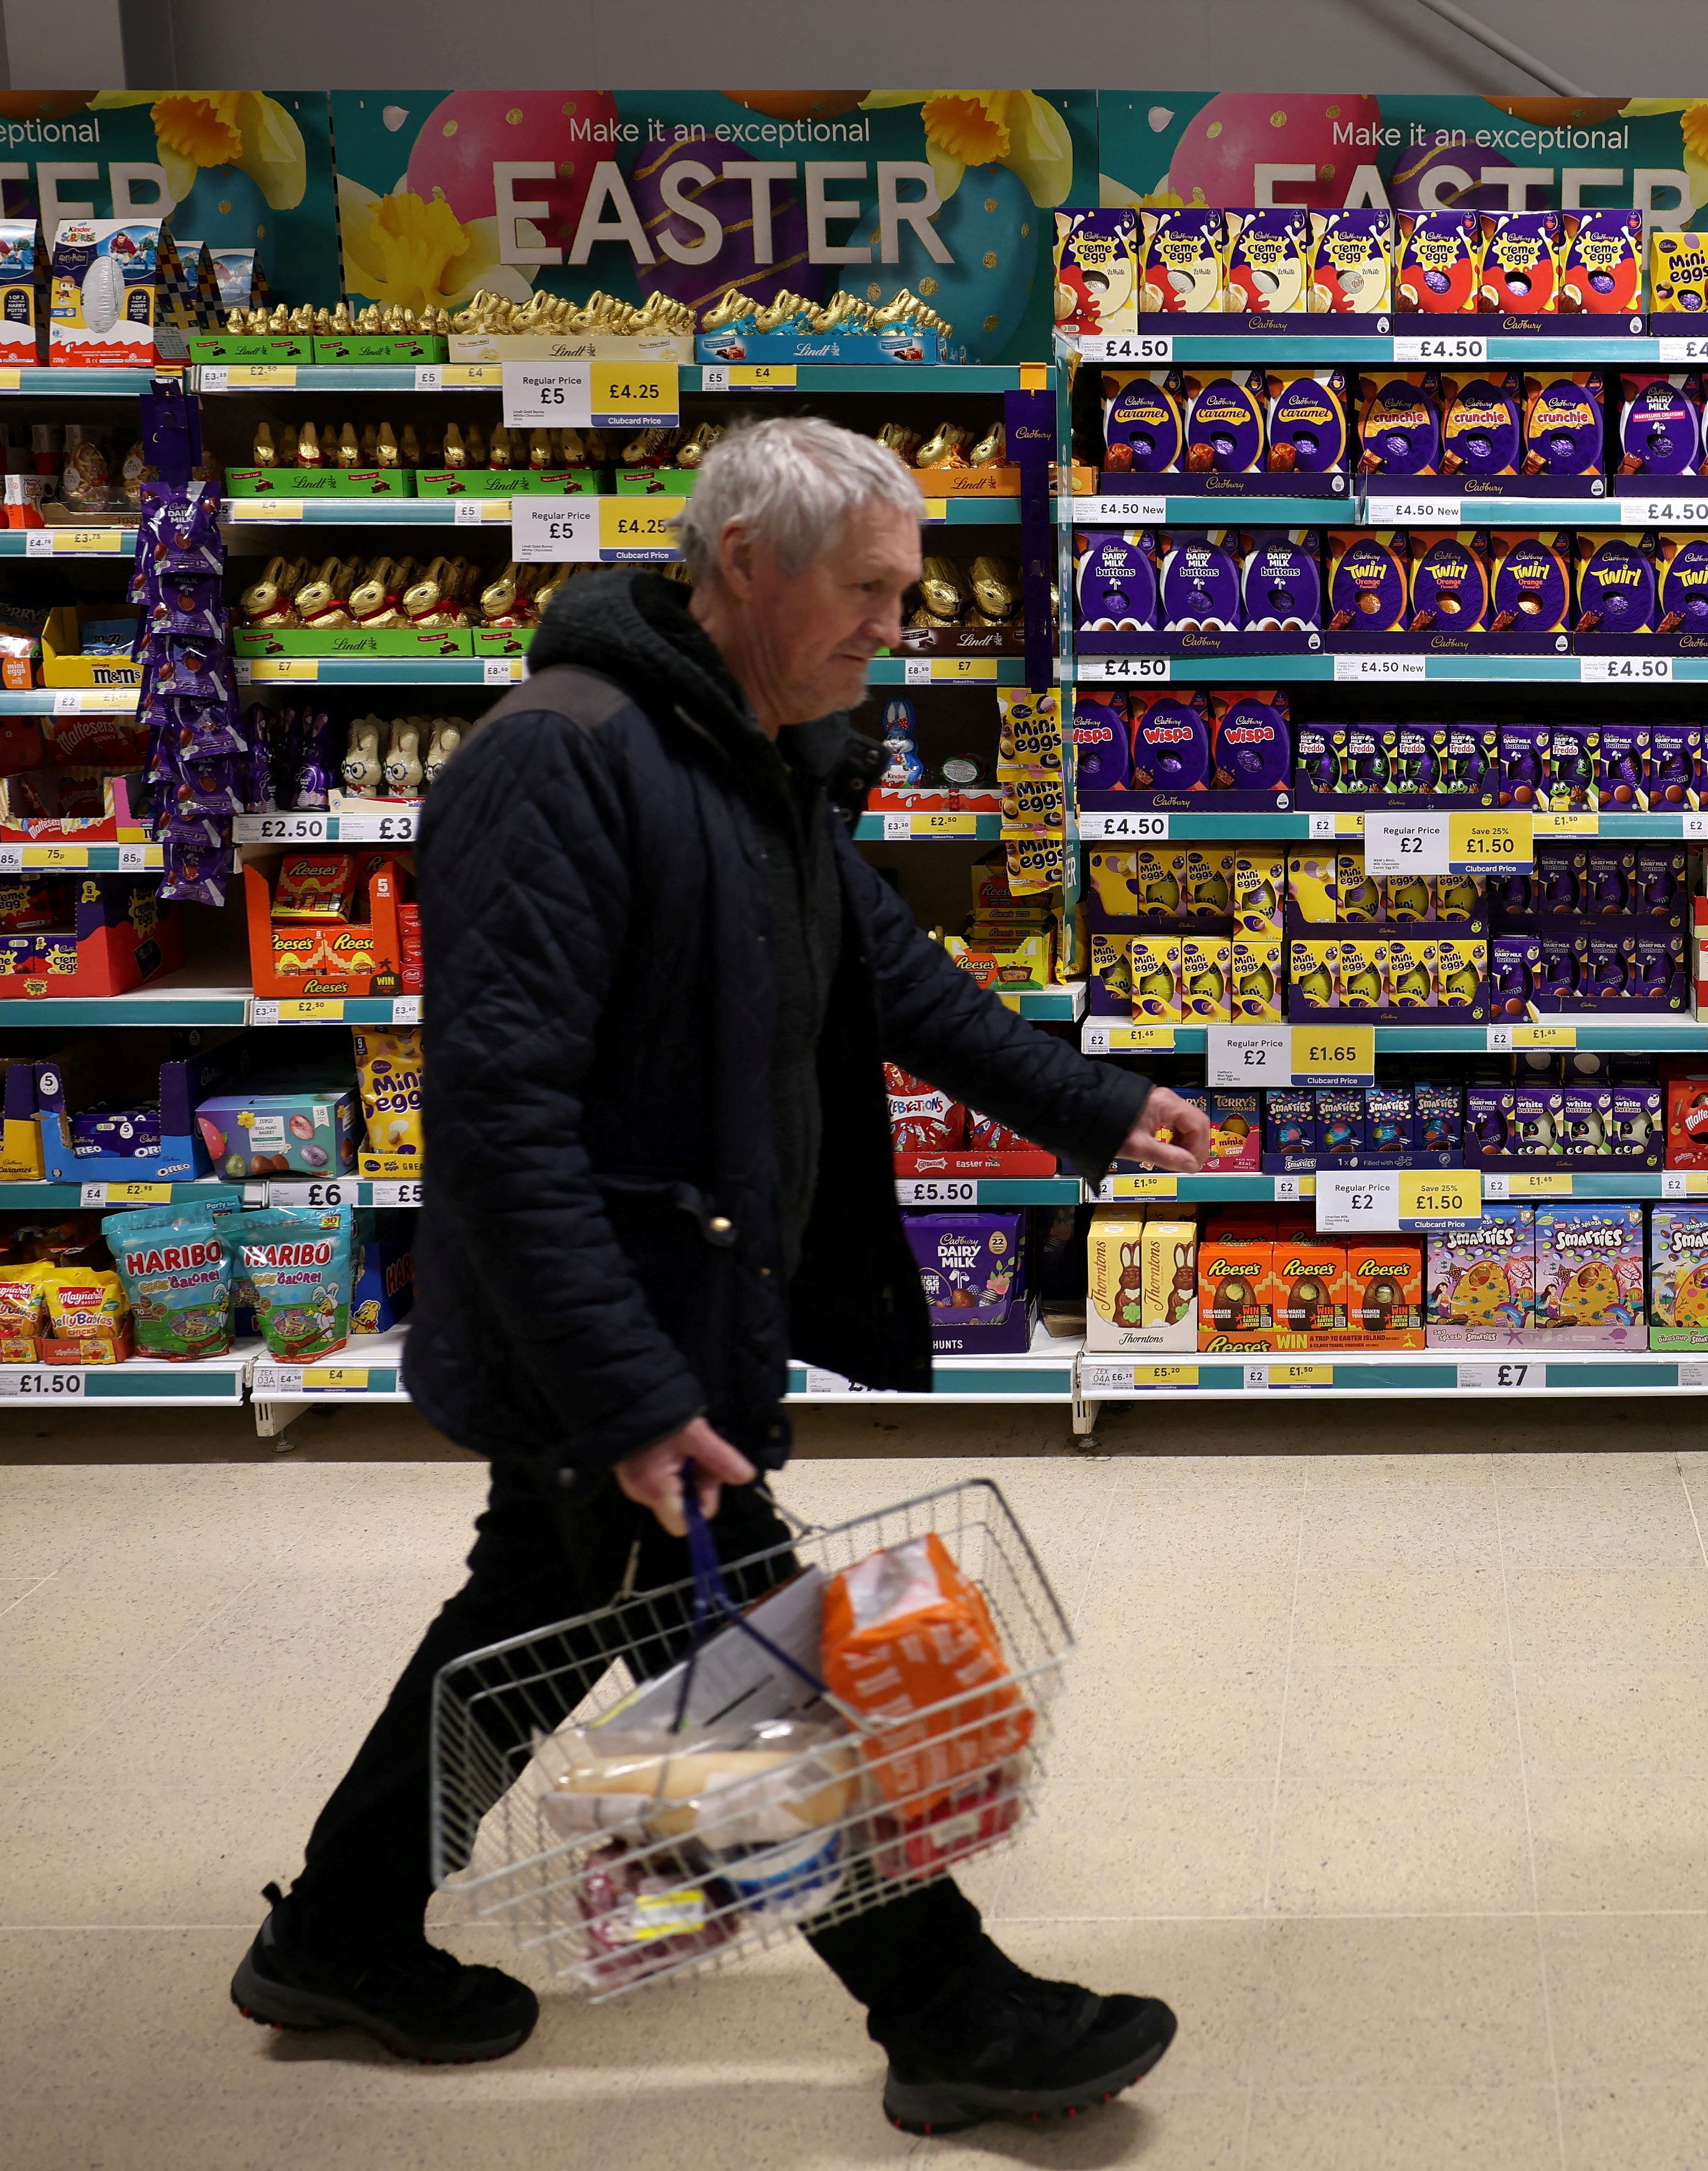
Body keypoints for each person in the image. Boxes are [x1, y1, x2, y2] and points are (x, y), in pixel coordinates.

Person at [231, 416, 1209, 2135]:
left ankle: (337, 1926)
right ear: (744, 562)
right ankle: (948, 2006)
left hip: (670, 1308)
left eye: (909, 592)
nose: (894, 628)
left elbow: (890, 976)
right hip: (611, 1329)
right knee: (755, 1645)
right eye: (870, 589)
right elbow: (501, 1124)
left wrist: (1099, 1102)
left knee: (532, 1618)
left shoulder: (761, 749)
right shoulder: (560, 762)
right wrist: (627, 1392)